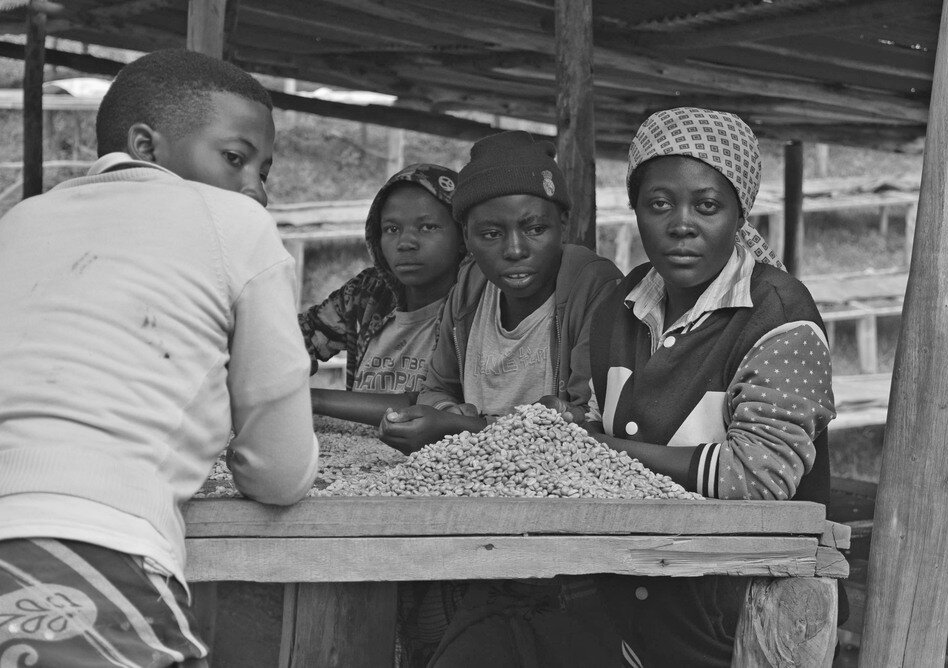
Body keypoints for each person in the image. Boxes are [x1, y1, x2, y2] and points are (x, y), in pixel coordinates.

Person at [0, 49, 318, 667]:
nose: (253, 186)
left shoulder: (20, 221)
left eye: (264, 171)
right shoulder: (235, 226)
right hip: (91, 550)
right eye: (235, 158)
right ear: (145, 145)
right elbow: (279, 472)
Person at [583, 107, 837, 667]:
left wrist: (605, 454)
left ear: (739, 213)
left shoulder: (777, 317)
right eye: (658, 204)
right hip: (631, 613)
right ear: (636, 211)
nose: (681, 223)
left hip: (743, 621)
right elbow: (597, 420)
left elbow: (759, 477)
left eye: (707, 205)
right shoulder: (618, 309)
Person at [378, 130, 622, 453]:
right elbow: (436, 387)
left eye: (535, 229)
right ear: (466, 235)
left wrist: (461, 426)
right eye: (491, 234)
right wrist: (447, 413)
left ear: (563, 223)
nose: (515, 250)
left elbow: (588, 421)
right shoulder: (469, 289)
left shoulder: (593, 287)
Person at [299, 164, 465, 426]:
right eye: (391, 229)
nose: (405, 242)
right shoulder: (370, 293)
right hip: (355, 459)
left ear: (464, 235)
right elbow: (302, 335)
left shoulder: (474, 308)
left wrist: (308, 399)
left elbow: (427, 402)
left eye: (428, 227)